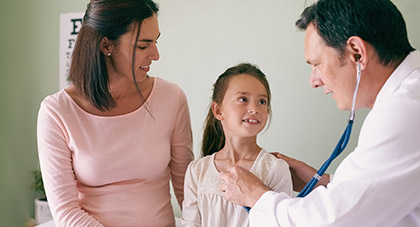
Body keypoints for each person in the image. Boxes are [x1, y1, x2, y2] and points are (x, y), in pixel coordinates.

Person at [219, 0, 420, 226]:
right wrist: (324, 182)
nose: (314, 81)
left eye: (317, 64)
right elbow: (382, 193)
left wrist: (256, 196)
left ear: (357, 53)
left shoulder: (405, 112)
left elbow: (334, 220)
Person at [37, 0, 194, 226]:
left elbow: (187, 192)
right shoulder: (56, 112)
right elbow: (65, 211)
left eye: (156, 42)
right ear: (106, 45)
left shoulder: (172, 98)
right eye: (143, 45)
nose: (156, 54)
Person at [181, 63, 293, 227]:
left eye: (262, 101)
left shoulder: (276, 169)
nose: (254, 108)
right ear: (218, 110)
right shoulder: (197, 170)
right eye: (243, 99)